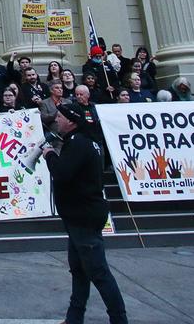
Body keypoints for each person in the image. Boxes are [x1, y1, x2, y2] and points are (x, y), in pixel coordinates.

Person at [40, 102, 128, 324]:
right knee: (78, 270)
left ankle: (119, 320)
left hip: (83, 216)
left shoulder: (78, 143)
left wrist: (49, 154)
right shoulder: (85, 142)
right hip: (78, 215)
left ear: (71, 121)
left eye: (59, 117)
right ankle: (74, 317)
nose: (56, 120)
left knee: (99, 273)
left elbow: (62, 173)